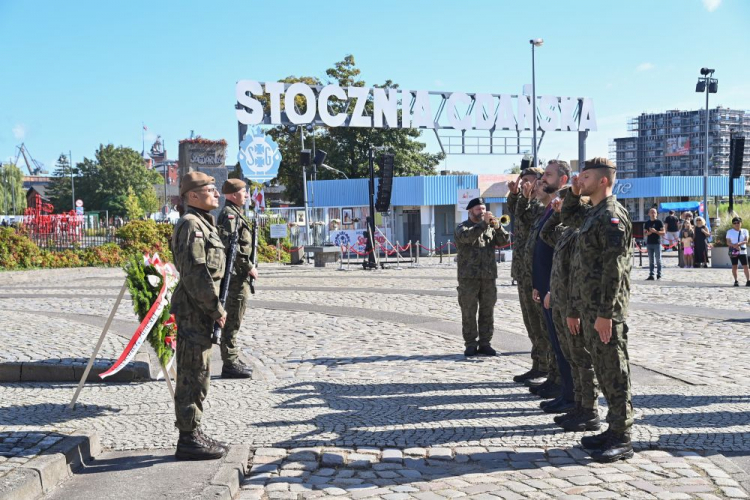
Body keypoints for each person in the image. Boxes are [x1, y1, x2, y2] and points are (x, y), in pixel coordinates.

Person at [563, 157, 634, 463]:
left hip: (604, 311)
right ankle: (611, 429)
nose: (581, 178)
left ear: (603, 180)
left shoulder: (612, 216)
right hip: (590, 308)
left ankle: (622, 435)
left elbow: (614, 269)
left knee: (614, 371)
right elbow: (567, 216)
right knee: (603, 371)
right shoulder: (593, 213)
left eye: (587, 176)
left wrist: (606, 313)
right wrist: (573, 191)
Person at [170, 172, 228, 461]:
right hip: (196, 312)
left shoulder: (205, 224)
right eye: (210, 190)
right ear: (193, 196)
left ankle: (194, 430)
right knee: (192, 375)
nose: (216, 194)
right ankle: (188, 438)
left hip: (201, 311)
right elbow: (195, 274)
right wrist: (216, 310)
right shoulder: (191, 225)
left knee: (201, 374)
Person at [541, 188, 601, 432]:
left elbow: (577, 273)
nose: (559, 204)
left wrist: (573, 308)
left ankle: (589, 410)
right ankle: (578, 405)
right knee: (571, 357)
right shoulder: (567, 229)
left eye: (563, 202)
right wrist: (556, 215)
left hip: (572, 304)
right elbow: (546, 235)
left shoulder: (580, 230)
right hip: (560, 300)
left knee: (581, 358)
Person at [530, 160, 575, 414]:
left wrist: (550, 288)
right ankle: (565, 393)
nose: (542, 179)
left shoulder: (567, 209)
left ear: (563, 179)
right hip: (547, 285)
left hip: (556, 289)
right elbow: (542, 249)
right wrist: (539, 283)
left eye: (547, 175)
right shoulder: (552, 208)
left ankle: (571, 397)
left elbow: (563, 253)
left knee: (567, 348)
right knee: (558, 346)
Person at [507, 167, 552, 383]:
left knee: (542, 322)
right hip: (523, 272)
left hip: (537, 272)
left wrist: (523, 198)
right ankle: (539, 363)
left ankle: (551, 367)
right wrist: (515, 194)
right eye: (522, 179)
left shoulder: (542, 204)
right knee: (531, 322)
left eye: (528, 180)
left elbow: (526, 216)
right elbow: (516, 214)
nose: (525, 183)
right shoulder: (526, 201)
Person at [454, 197, 510, 356]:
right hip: (468, 278)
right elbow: (468, 238)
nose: (483, 212)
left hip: (488, 276)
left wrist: (497, 226)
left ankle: (485, 342)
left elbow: (504, 241)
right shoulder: (462, 227)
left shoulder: (490, 227)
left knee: (487, 311)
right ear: (470, 211)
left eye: (484, 209)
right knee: (469, 311)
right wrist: (483, 223)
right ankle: (470, 343)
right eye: (479, 209)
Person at [217, 179, 258, 378]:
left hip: (237, 275)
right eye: (243, 192)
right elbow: (231, 247)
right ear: (233, 195)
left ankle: (231, 358)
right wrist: (249, 267)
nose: (247, 195)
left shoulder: (235, 213)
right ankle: (229, 363)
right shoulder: (230, 215)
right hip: (235, 277)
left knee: (235, 318)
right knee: (232, 319)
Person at [726, 216, 750, 287]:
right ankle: (736, 280)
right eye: (735, 223)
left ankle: (748, 280)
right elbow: (728, 242)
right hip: (734, 251)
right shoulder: (729, 232)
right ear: (733, 224)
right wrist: (734, 246)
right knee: (734, 266)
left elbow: (746, 240)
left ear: (741, 223)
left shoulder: (745, 231)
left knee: (745, 266)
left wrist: (739, 244)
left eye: (738, 222)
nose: (736, 224)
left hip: (742, 251)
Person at [644, 208, 665, 280]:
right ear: (649, 214)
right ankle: (651, 274)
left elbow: (663, 232)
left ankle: (659, 274)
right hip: (649, 243)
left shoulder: (659, 222)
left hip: (657, 243)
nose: (653, 214)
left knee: (658, 260)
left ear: (656, 214)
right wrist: (649, 233)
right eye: (651, 212)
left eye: (654, 212)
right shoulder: (647, 223)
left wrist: (655, 231)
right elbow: (645, 233)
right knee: (651, 260)